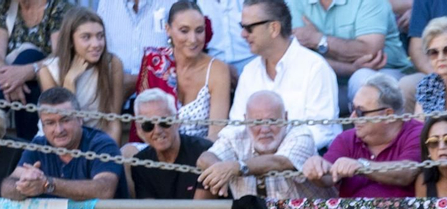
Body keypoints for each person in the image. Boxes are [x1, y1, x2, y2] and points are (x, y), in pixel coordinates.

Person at [1, 87, 128, 209]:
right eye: (50, 123)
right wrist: (24, 185)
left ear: (80, 118)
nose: (58, 129)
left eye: (65, 120)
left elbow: (104, 188)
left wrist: (48, 184)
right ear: (42, 126)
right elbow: (7, 187)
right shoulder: (39, 146)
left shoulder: (101, 143)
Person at [121, 90, 220, 209]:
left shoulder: (202, 152)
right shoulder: (141, 162)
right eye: (148, 125)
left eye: (165, 122)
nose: (157, 130)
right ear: (139, 130)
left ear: (177, 120)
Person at [230, 0, 340, 151]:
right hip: (256, 163)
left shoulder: (315, 67)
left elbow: (321, 132)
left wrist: (277, 157)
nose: (243, 34)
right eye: (241, 27)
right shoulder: (249, 72)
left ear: (274, 28)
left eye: (249, 28)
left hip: (307, 163)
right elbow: (236, 126)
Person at [302, 75, 423, 196]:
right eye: (352, 109)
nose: (352, 117)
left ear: (388, 115)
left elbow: (407, 173)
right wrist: (316, 167)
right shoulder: (346, 139)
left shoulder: (416, 133)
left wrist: (362, 166)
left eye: (360, 112)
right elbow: (327, 179)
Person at [199, 88, 321, 202]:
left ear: (285, 118)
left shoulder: (300, 134)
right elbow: (205, 158)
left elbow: (280, 162)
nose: (264, 129)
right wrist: (219, 171)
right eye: (257, 122)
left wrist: (237, 167)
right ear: (246, 120)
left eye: (272, 121)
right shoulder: (236, 134)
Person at [136, 0, 234, 139]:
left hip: (201, 153)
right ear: (168, 29)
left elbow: (216, 133)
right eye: (184, 31)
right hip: (158, 147)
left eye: (199, 31)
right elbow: (143, 125)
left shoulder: (217, 70)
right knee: (128, 151)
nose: (193, 39)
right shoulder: (154, 62)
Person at [290, 0, 413, 104]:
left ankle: (364, 133)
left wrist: (318, 40)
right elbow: (298, 56)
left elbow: (369, 52)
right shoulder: (293, 3)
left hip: (384, 73)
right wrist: (350, 68)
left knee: (363, 80)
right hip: (328, 82)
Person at [38, 7, 129, 143]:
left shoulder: (113, 64)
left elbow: (113, 120)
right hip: (58, 141)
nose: (96, 44)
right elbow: (61, 122)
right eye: (86, 37)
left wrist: (111, 155)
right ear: (70, 41)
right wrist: (69, 80)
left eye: (100, 36)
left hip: (96, 141)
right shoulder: (48, 70)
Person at [0, 0, 74, 139]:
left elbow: (59, 55)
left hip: (50, 82)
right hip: (14, 86)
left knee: (30, 55)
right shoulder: (3, 7)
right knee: (25, 65)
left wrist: (26, 71)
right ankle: (27, 145)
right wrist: (9, 78)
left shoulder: (59, 7)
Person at [94, 0, 174, 80]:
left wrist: (136, 80)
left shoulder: (172, 3)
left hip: (159, 86)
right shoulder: (106, 3)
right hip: (114, 85)